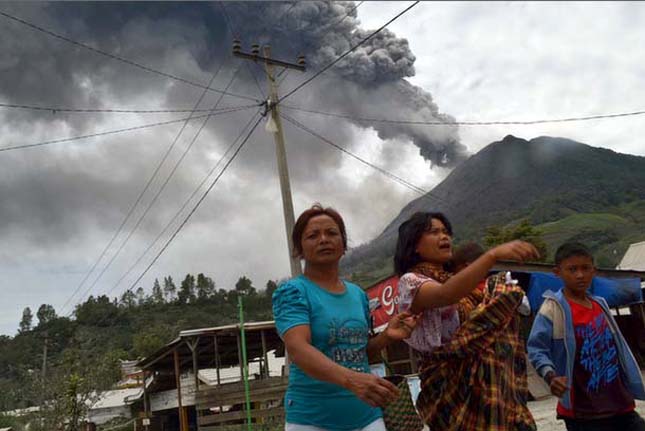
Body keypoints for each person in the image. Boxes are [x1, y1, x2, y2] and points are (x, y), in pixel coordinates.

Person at [272, 204, 419, 431]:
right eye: (313, 235)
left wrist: (386, 337)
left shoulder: (357, 294)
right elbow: (298, 349)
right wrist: (351, 380)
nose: (323, 239)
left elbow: (359, 353)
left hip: (367, 415)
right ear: (299, 249)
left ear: (343, 243)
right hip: (312, 420)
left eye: (331, 233)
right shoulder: (293, 292)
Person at [394, 211, 539, 431]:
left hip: (493, 385)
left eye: (446, 231)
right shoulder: (411, 282)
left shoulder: (462, 282)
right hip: (450, 386)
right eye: (434, 232)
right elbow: (445, 295)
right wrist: (491, 256)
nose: (444, 237)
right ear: (414, 244)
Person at [527, 242, 645, 431]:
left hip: (619, 403)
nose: (580, 275)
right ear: (557, 272)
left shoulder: (600, 304)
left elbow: (618, 346)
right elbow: (536, 348)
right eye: (572, 269)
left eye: (585, 268)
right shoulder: (553, 308)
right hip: (583, 411)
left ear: (594, 271)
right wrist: (550, 376)